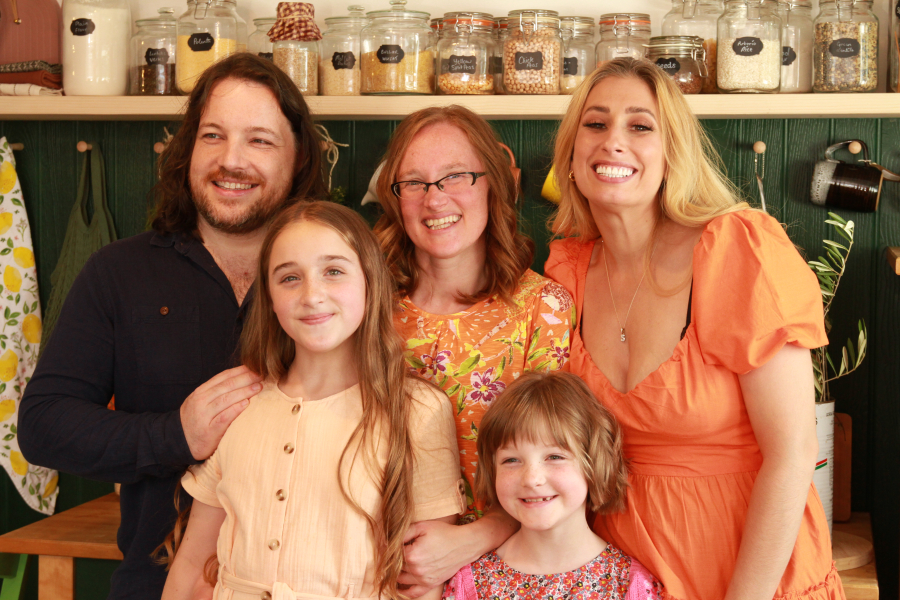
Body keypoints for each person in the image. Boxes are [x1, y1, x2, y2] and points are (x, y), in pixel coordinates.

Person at [18, 53, 327, 600]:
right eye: (213, 136)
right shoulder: (118, 273)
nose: (231, 160)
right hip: (156, 584)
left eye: (259, 140)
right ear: (187, 149)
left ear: (298, 157)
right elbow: (44, 425)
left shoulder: (339, 282)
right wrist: (174, 435)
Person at [544, 58, 843, 600]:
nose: (613, 141)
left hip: (752, 578)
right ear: (570, 154)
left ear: (673, 153)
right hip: (624, 580)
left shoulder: (736, 250)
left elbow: (793, 453)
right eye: (595, 123)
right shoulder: (566, 274)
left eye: (640, 126)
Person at [161, 200, 464, 600]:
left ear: (370, 281)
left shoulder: (416, 411)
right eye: (289, 278)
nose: (312, 295)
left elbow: (424, 581)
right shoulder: (240, 402)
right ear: (269, 298)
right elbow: (191, 563)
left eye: (333, 271)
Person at [372, 106, 576, 596]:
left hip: (506, 568)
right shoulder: (366, 306)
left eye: (456, 176)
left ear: (493, 185)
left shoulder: (543, 308)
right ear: (395, 198)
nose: (434, 198)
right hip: (375, 566)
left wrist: (470, 540)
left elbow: (556, 466)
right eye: (414, 182)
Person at [443, 371, 661, 600]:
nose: (531, 479)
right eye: (511, 460)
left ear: (594, 462)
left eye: (554, 457)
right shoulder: (470, 584)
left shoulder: (629, 585)